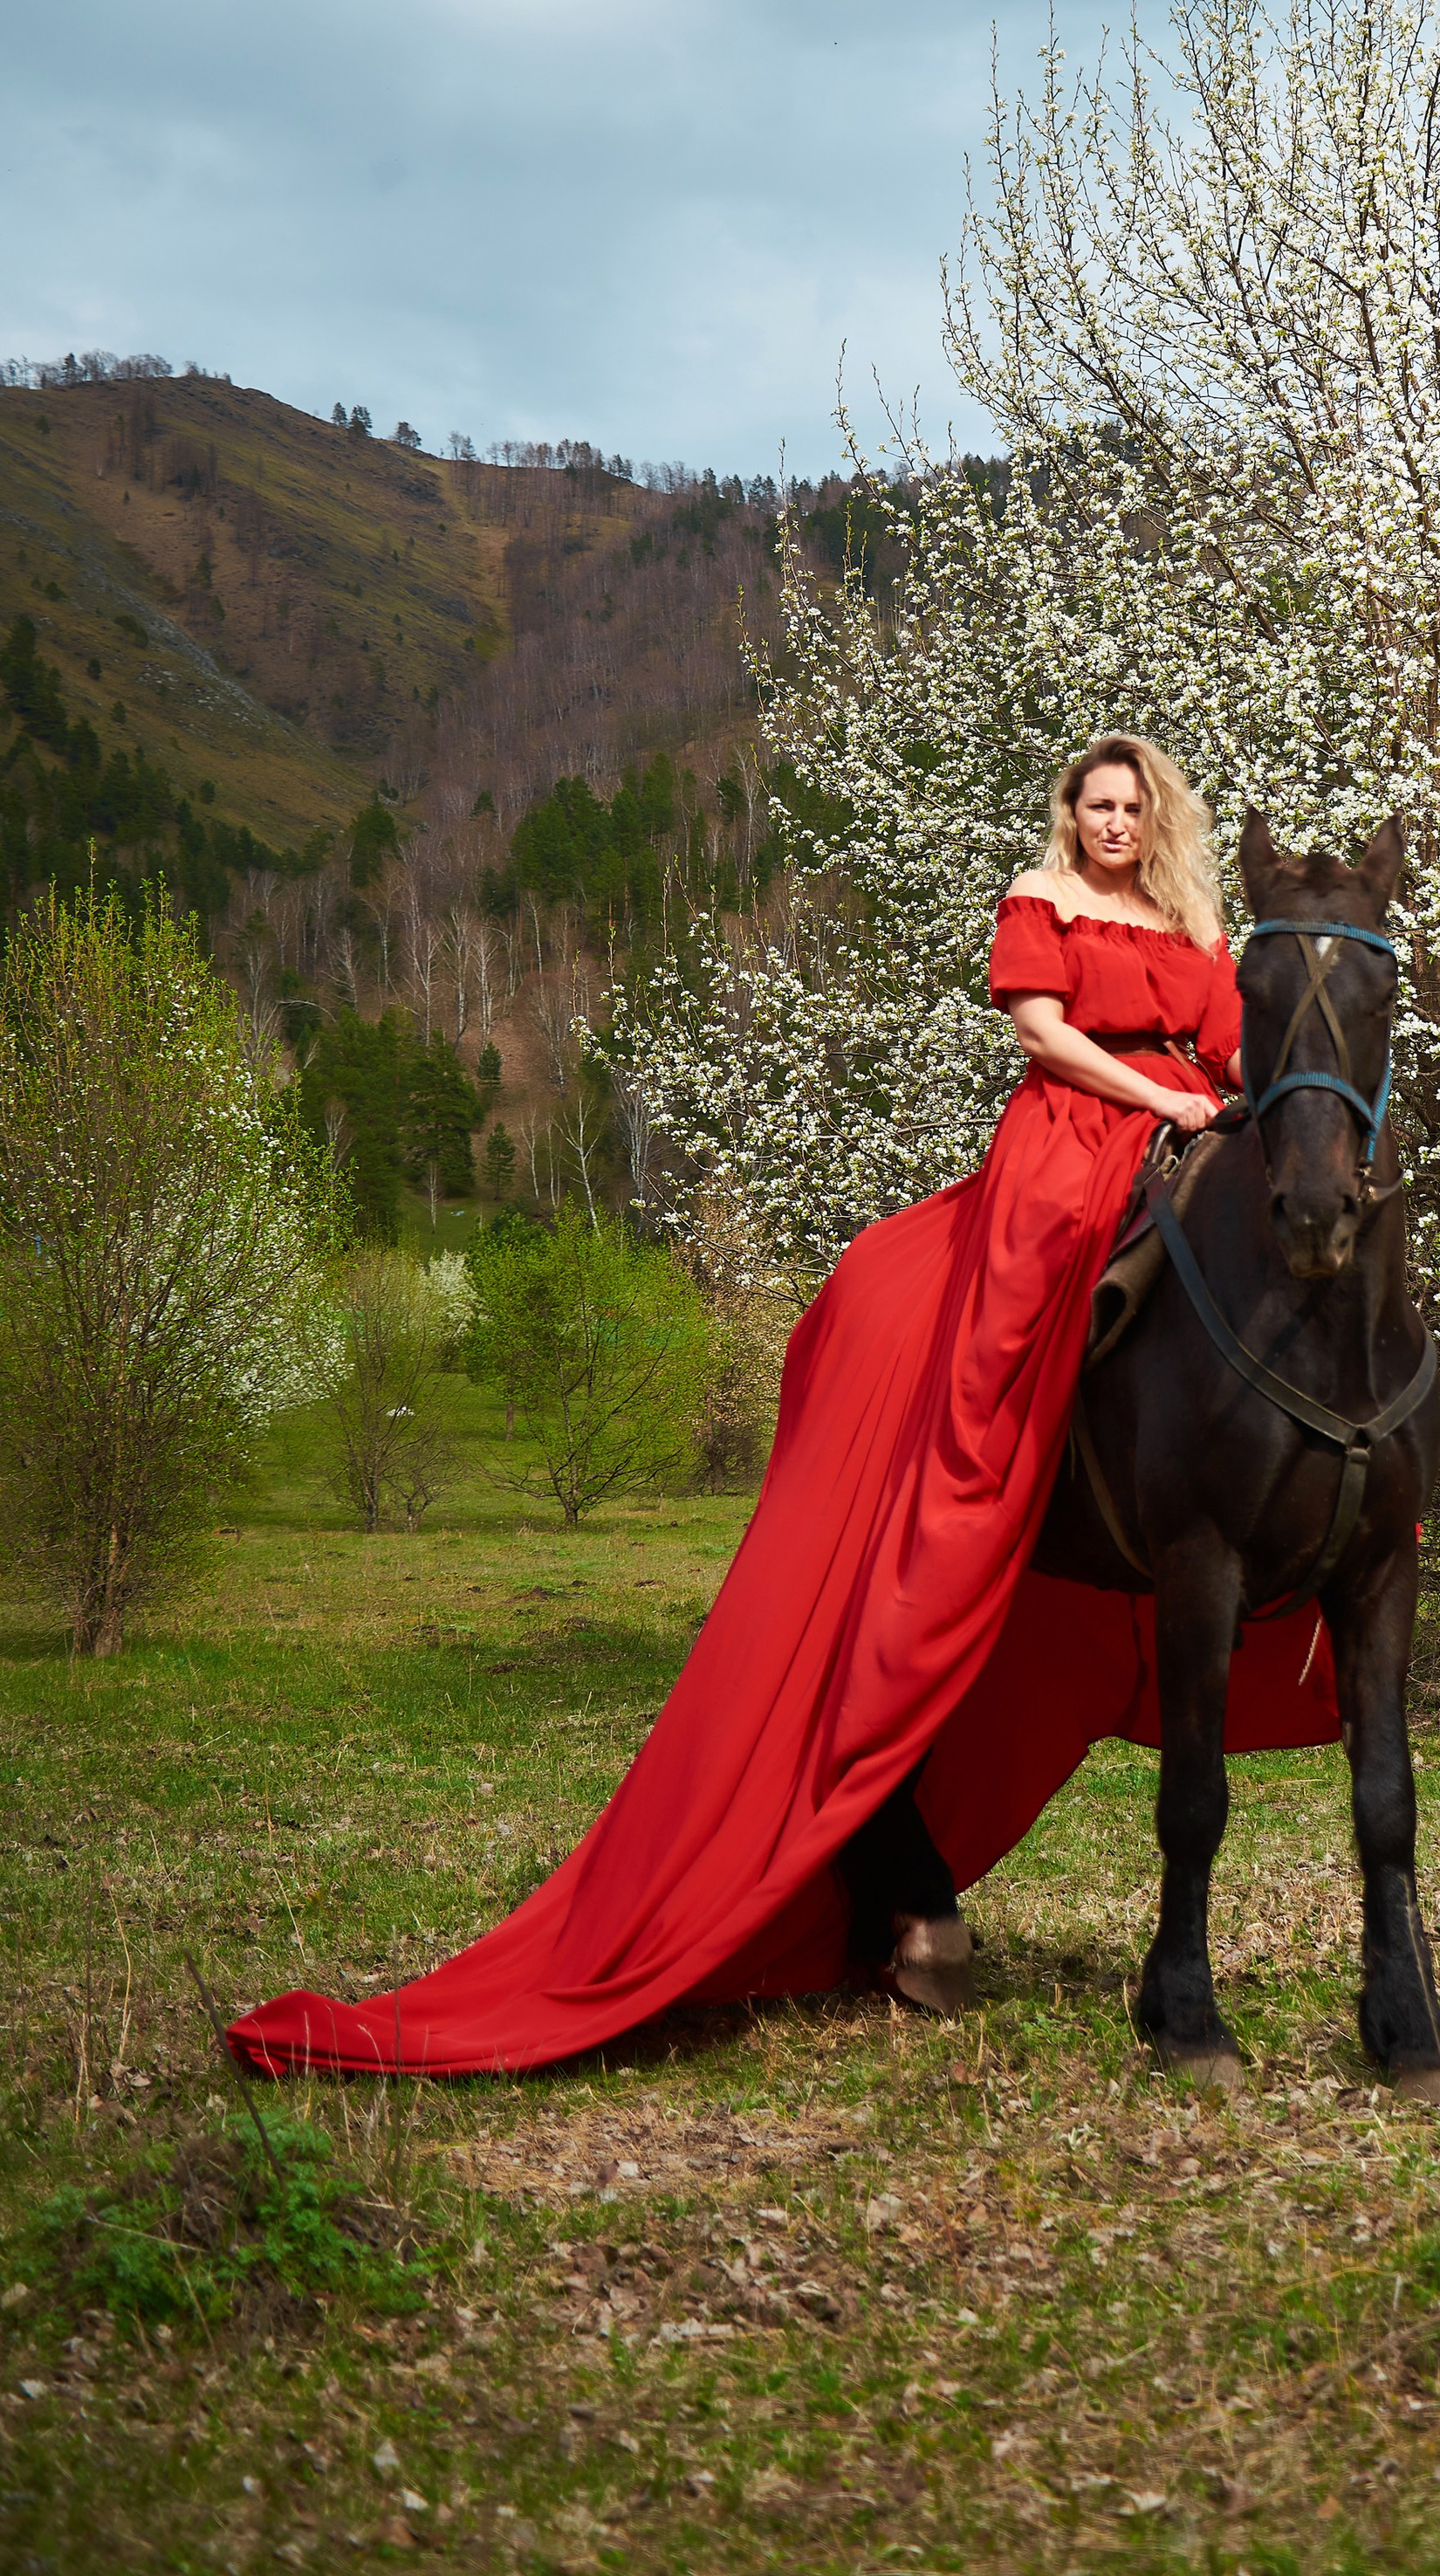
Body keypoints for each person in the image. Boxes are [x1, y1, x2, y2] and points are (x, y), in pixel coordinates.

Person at [228, 735, 1339, 2079]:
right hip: (1069, 1144)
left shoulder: (1195, 921)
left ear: (1159, 813)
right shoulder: (1044, 903)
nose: (1113, 822)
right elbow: (1043, 1034)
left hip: (1185, 1136)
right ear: (1071, 815)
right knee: (1038, 1325)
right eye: (1094, 804)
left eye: (1131, 805)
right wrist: (1159, 1091)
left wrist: (1226, 1118)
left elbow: (1239, 1047)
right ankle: (997, 1461)